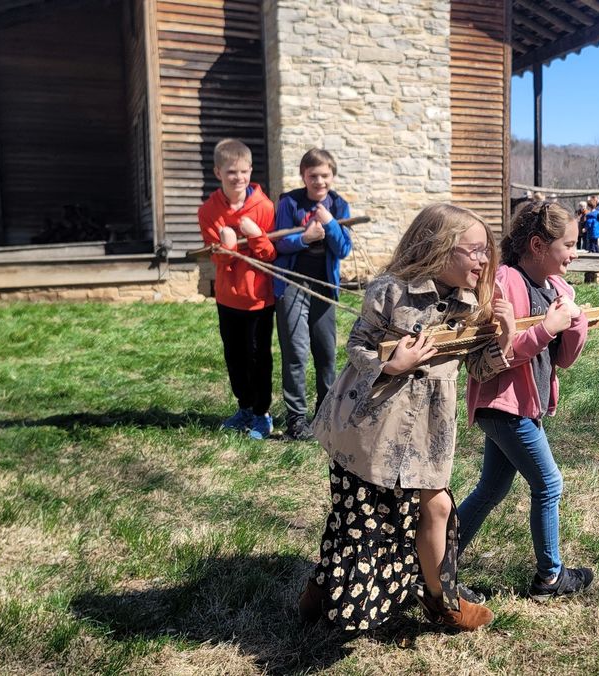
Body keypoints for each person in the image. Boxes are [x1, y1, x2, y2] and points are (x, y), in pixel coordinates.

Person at [300, 203, 515, 633]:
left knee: (437, 506)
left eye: (487, 251)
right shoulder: (390, 291)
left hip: (428, 428)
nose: (485, 260)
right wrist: (393, 364)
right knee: (360, 518)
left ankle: (443, 602)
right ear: (441, 250)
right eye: (474, 251)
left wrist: (504, 339)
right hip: (371, 424)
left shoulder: (470, 303)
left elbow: (478, 369)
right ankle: (322, 594)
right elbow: (357, 347)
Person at [459, 201, 595, 602]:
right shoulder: (505, 282)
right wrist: (547, 327)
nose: (574, 252)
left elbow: (565, 359)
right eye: (568, 245)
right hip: (502, 404)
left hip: (524, 407)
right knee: (549, 483)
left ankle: (436, 559)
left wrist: (575, 321)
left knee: (490, 490)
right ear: (538, 244)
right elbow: (500, 354)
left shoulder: (557, 288)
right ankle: (550, 577)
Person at [197, 138, 278, 439]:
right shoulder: (208, 211)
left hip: (259, 298)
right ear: (218, 172)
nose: (239, 178)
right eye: (231, 172)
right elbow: (215, 257)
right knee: (234, 355)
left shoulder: (265, 207)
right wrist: (226, 249)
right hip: (228, 298)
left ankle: (262, 414)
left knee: (258, 357)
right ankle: (244, 407)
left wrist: (256, 236)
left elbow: (270, 255)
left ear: (251, 170)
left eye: (244, 171)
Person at [273, 149, 353, 440]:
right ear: (303, 176)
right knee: (295, 351)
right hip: (293, 284)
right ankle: (296, 419)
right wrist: (304, 238)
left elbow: (344, 249)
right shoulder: (290, 203)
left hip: (323, 287)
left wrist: (330, 224)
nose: (319, 181)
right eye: (313, 176)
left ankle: (325, 415)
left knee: (326, 352)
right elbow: (279, 243)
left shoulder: (339, 205)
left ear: (332, 175)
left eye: (324, 175)